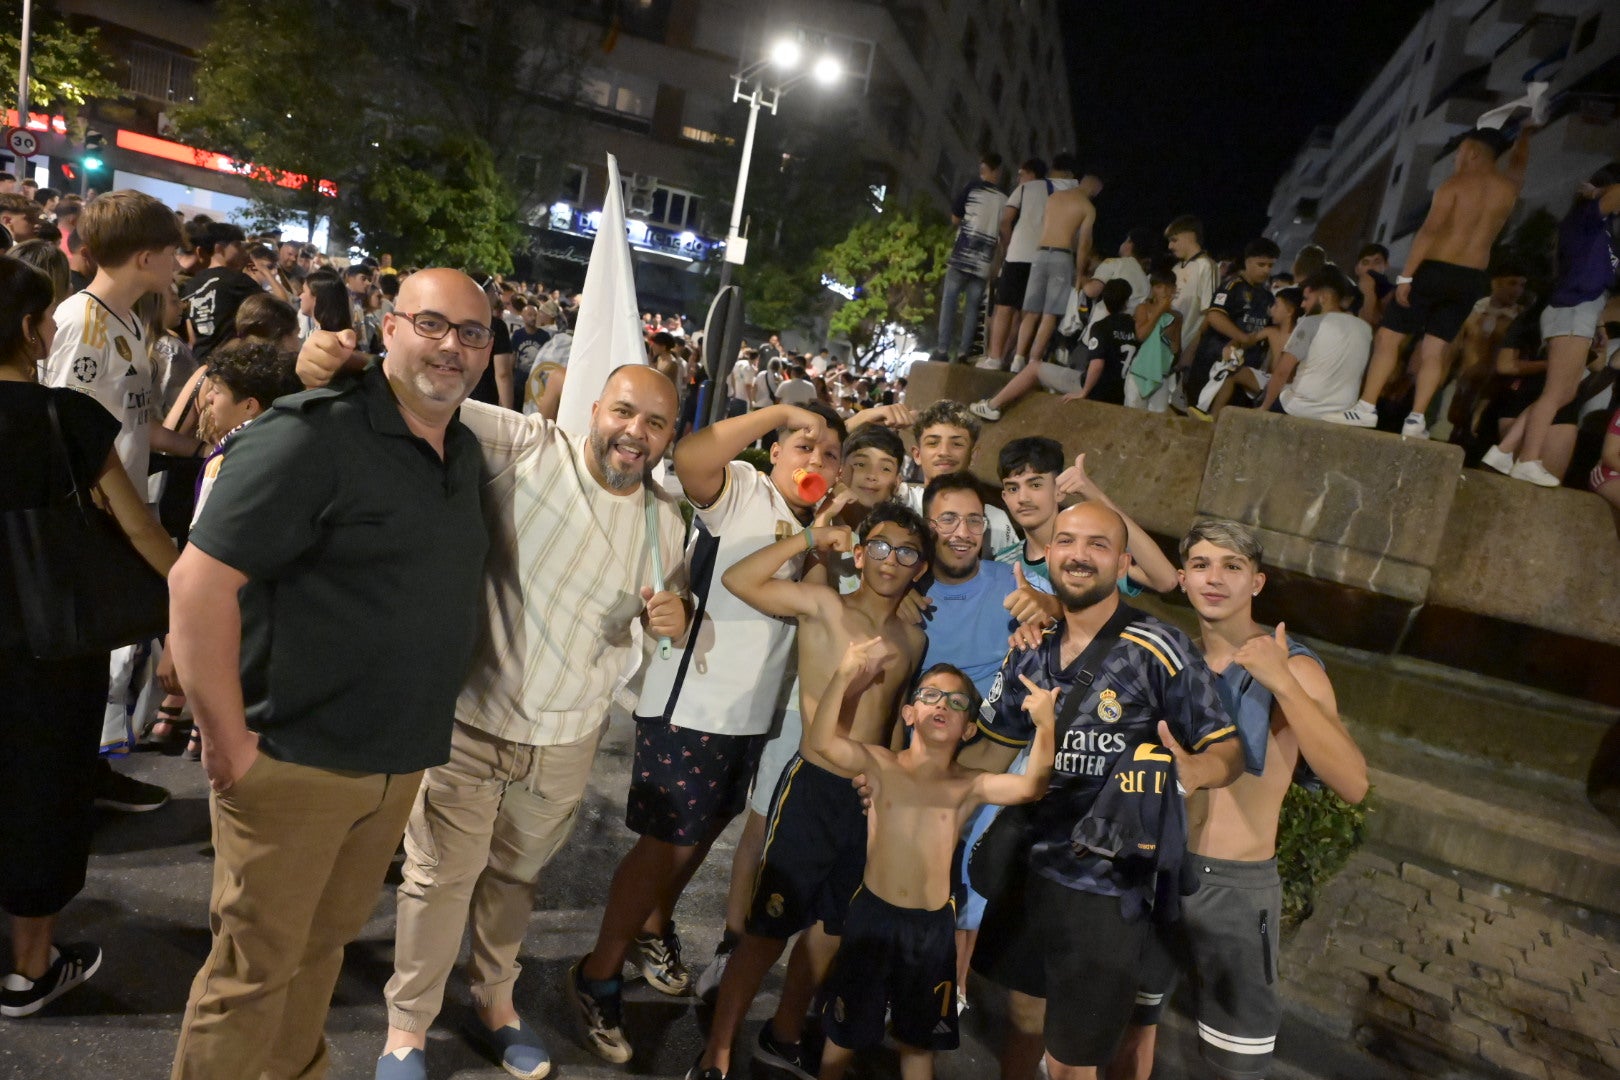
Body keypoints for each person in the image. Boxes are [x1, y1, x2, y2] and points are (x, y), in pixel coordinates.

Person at [293, 351, 688, 1079]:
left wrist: (677, 614)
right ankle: (406, 1030)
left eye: (656, 423)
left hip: (569, 738)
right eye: (623, 412)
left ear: (670, 437)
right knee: (437, 880)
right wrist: (339, 360)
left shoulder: (669, 522)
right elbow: (421, 397)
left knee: (515, 879)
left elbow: (670, 610)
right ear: (593, 411)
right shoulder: (528, 447)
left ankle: (495, 1002)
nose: (635, 432)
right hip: (472, 724)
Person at [166, 269, 493, 1080]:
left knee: (319, 954)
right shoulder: (313, 433)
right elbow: (198, 585)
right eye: (433, 324)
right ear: (388, 328)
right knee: (252, 975)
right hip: (293, 759)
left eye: (473, 333)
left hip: (397, 762)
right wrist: (228, 742)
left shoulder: (466, 446)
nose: (452, 345)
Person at [568, 400, 844, 1065]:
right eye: (801, 445)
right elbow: (691, 458)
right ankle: (597, 975)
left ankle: (650, 931)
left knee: (693, 844)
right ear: (773, 451)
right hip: (691, 704)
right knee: (663, 848)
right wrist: (783, 407)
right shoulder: (742, 490)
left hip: (748, 718)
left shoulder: (814, 523)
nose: (815, 459)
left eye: (829, 453)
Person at [971, 501, 1243, 1080]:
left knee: (1074, 1056)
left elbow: (1229, 751)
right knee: (1021, 1018)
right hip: (1030, 865)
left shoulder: (1159, 646)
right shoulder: (1033, 646)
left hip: (1106, 886)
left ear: (1122, 562)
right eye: (1067, 540)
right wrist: (914, 782)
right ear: (1051, 553)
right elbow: (989, 752)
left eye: (1098, 544)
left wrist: (1193, 771)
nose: (1078, 554)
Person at [1110, 520, 1367, 1080]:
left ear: (1257, 582)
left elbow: (1352, 783)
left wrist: (1285, 684)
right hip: (1158, 870)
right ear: (1181, 578)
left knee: (1236, 1065)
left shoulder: (1293, 665)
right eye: (1201, 565)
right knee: (1130, 1029)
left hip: (1236, 885)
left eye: (1232, 567)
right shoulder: (1172, 659)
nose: (1215, 578)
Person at [688, 503, 931, 1080]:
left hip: (865, 795)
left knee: (828, 931)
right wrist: (808, 537)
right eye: (877, 546)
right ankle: (719, 1050)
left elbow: (894, 718)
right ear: (859, 550)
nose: (889, 561)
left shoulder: (913, 639)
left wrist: (892, 784)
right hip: (812, 785)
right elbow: (738, 580)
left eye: (905, 553)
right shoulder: (825, 606)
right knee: (768, 929)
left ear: (920, 567)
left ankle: (784, 1033)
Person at [0, 257, 177, 1019]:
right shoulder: (67, 419)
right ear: (33, 328)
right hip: (50, 647)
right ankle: (28, 971)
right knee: (42, 793)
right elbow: (140, 532)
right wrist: (198, 608)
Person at [808, 638, 1057, 1080]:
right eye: (929, 695)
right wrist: (845, 674)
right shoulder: (881, 765)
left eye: (957, 701)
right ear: (909, 714)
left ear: (968, 729)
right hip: (872, 916)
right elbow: (823, 740)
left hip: (931, 928)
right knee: (844, 1032)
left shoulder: (970, 784)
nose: (942, 704)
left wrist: (1045, 727)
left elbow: (1031, 786)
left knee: (918, 1041)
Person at [41, 191, 199, 810]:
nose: (178, 264)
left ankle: (90, 774)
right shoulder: (83, 322)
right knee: (90, 662)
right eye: (170, 253)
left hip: (127, 513)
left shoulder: (133, 322)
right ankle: (72, 789)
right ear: (143, 257)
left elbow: (134, 423)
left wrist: (193, 446)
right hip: (95, 521)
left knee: (113, 652)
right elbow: (60, 435)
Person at [1339, 125, 1535, 436]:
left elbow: (1429, 231)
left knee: (1389, 339)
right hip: (1471, 279)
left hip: (1434, 270)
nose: (1457, 158)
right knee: (1435, 349)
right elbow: (1519, 165)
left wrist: (1406, 277)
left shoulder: (1455, 185)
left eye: (1459, 153)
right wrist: (1525, 135)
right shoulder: (1507, 189)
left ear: (1471, 152)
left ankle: (1365, 407)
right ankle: (1417, 419)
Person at [1487, 165, 1619, 485]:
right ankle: (1528, 459)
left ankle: (1504, 451)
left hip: (1583, 311)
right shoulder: (1587, 219)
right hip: (1573, 310)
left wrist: (1598, 325)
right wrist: (1602, 193)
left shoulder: (1601, 232)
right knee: (1557, 392)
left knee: (1563, 391)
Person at [971, 169, 1103, 421]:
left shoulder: (1055, 198)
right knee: (1049, 315)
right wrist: (1080, 272)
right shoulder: (1087, 207)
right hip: (1062, 257)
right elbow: (1083, 243)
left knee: (1030, 311)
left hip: (1039, 254)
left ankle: (1017, 359)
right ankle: (1032, 361)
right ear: (1096, 189)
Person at [997, 440, 1179, 595]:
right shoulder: (1002, 563)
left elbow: (1166, 580)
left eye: (1035, 485)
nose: (1022, 498)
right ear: (1004, 498)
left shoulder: (1088, 553)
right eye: (1013, 488)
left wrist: (1094, 495)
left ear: (1059, 490)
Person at [896, 401, 1018, 554]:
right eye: (933, 443)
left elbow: (1013, 575)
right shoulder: (899, 502)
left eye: (957, 444)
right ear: (917, 454)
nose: (944, 452)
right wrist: (865, 419)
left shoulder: (995, 521)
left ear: (973, 456)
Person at [1261, 269, 1373, 420]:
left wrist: (1264, 408)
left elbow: (1282, 372)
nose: (1302, 304)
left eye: (1307, 298)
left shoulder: (1311, 323)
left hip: (1300, 408)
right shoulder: (1365, 328)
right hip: (1342, 413)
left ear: (1323, 297)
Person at [1186, 239, 1278, 417]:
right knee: (1199, 416)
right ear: (1247, 261)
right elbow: (1214, 315)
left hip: (1245, 369)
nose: (1266, 270)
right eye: (1261, 264)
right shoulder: (1232, 285)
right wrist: (1242, 337)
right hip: (1214, 362)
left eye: (1270, 265)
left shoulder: (1268, 297)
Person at [938, 153, 1008, 363]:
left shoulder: (971, 188)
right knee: (972, 309)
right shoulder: (1005, 200)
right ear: (998, 171)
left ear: (984, 168)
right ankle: (963, 353)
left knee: (949, 302)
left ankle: (942, 350)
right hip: (984, 262)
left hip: (961, 256)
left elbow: (955, 218)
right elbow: (1003, 233)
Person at [984, 159, 1051, 368]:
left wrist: (1008, 244)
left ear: (1030, 173)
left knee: (1004, 307)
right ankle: (1016, 358)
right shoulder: (1054, 192)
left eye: (1021, 173)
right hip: (1042, 257)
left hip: (1018, 254)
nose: (1018, 178)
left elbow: (1006, 221)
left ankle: (994, 357)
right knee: (1028, 312)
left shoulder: (1023, 189)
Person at [1124, 268, 1184, 412]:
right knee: (1132, 419)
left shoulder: (1177, 316)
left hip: (1161, 374)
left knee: (1156, 424)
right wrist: (1159, 311)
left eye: (1167, 287)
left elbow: (1175, 349)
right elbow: (1141, 335)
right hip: (1139, 373)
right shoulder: (1142, 308)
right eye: (1158, 287)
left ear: (1174, 289)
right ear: (1152, 289)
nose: (1163, 291)